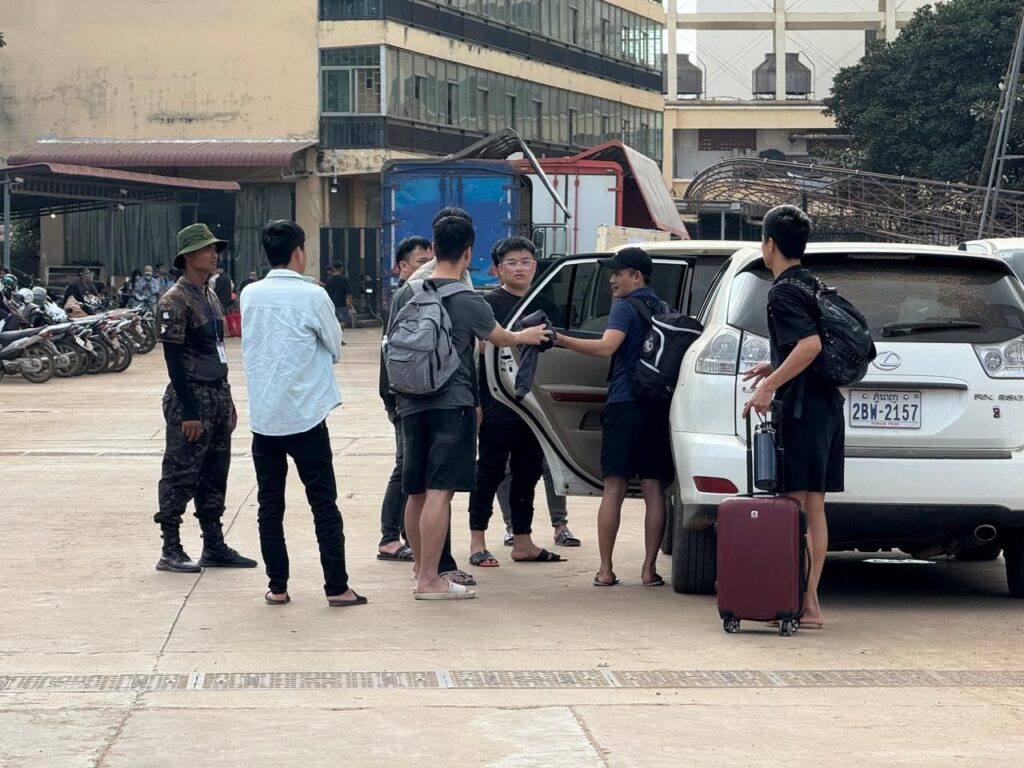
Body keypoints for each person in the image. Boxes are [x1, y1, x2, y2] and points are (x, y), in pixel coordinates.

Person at [387, 214, 551, 600]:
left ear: (435, 246)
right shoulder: (467, 299)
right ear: (468, 252)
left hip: (410, 401)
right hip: (452, 402)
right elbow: (500, 338)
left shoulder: (404, 294)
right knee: (439, 491)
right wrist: (526, 334)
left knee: (415, 492)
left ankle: (418, 570)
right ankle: (431, 580)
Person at [241, 220, 365, 608]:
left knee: (270, 505)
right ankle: (336, 587)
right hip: (306, 416)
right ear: (299, 252)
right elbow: (335, 345)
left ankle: (277, 586)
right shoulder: (314, 295)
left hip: (264, 417)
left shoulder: (249, 294)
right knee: (323, 504)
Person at [742, 205, 840, 630]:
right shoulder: (812, 283)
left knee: (796, 509)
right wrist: (775, 363)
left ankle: (802, 603)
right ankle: (809, 602)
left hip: (801, 411)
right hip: (826, 407)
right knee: (813, 508)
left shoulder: (782, 290)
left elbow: (810, 346)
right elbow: (804, 345)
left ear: (769, 245)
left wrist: (769, 385)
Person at [554, 247, 673, 588]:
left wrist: (562, 340)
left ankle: (605, 570)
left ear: (636, 276)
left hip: (624, 404)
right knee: (653, 490)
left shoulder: (624, 306)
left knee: (614, 487)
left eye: (618, 272)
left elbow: (607, 346)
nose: (612, 278)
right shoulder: (662, 308)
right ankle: (649, 570)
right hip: (656, 407)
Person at [153, 224, 256, 573]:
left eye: (215, 248)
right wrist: (190, 411)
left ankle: (213, 544)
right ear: (188, 257)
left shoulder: (210, 295)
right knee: (181, 473)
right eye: (206, 249)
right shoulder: (175, 300)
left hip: (216, 394)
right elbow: (174, 362)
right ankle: (171, 547)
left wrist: (228, 402)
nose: (214, 254)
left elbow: (218, 352)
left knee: (215, 473)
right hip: (192, 397)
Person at [468, 236, 563, 566]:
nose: (520, 268)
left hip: (536, 403)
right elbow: (475, 351)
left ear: (535, 266)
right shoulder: (488, 304)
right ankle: (477, 541)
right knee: (490, 470)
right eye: (512, 263)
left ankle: (522, 541)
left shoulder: (546, 303)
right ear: (497, 270)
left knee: (529, 470)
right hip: (497, 399)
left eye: (525, 261)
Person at [377, 235, 433, 562]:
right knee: (405, 465)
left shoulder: (418, 294)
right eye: (419, 262)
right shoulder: (404, 296)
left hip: (408, 392)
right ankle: (388, 538)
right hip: (400, 394)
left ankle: (401, 533)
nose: (426, 268)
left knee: (412, 466)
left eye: (430, 261)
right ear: (401, 267)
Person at [325, 263, 353, 343]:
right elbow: (349, 293)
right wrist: (350, 304)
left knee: (334, 322)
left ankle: (337, 338)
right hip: (342, 305)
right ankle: (338, 337)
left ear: (333, 268)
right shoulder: (344, 279)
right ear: (341, 268)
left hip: (331, 305)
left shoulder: (329, 280)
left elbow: (325, 293)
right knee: (343, 321)